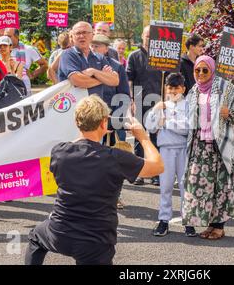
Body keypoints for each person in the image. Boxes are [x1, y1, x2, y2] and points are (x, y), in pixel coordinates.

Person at [25, 95, 164, 265]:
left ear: (77, 123)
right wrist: (142, 137)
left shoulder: (59, 152)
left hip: (59, 233)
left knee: (35, 237)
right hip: (95, 241)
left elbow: (76, 147)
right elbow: (158, 166)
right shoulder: (116, 158)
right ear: (104, 123)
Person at [182, 55, 234, 240]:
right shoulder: (193, 91)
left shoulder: (225, 87)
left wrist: (228, 113)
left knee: (221, 187)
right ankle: (209, 225)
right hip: (200, 147)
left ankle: (218, 227)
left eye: (205, 70)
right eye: (197, 70)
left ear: (212, 70)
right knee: (201, 187)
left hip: (220, 147)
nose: (200, 73)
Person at [145, 73, 195, 237]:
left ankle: (188, 221)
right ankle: (163, 220)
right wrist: (155, 111)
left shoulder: (188, 105)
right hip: (166, 149)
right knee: (165, 186)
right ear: (165, 88)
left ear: (183, 88)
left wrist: (166, 123)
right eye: (170, 88)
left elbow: (186, 128)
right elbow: (151, 127)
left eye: (176, 88)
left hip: (183, 149)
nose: (173, 91)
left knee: (184, 186)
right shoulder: (162, 105)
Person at [91, 33, 131, 210]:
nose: (93, 48)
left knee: (113, 160)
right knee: (91, 160)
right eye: (92, 45)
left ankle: (115, 195)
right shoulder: (86, 65)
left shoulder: (116, 67)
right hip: (90, 121)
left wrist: (116, 121)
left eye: (97, 45)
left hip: (111, 121)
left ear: (106, 48)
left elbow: (123, 94)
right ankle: (92, 196)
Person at [127, 25, 166, 186]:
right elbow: (129, 79)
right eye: (147, 35)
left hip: (157, 102)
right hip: (139, 101)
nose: (149, 38)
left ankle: (156, 173)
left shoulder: (161, 57)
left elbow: (167, 81)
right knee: (139, 138)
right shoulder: (134, 56)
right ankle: (140, 173)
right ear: (142, 36)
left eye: (152, 36)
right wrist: (131, 100)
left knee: (156, 138)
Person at [58, 21, 119, 98]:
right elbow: (78, 80)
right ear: (73, 37)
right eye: (77, 33)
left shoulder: (99, 57)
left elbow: (115, 80)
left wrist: (93, 71)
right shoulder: (68, 54)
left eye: (84, 32)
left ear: (92, 35)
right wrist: (102, 79)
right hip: (74, 107)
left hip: (96, 106)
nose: (81, 36)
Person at [4, 28, 48, 96]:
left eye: (9, 36)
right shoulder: (1, 51)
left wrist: (32, 75)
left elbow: (44, 65)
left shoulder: (29, 49)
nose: (6, 39)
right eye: (5, 36)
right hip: (5, 89)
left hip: (24, 89)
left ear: (17, 36)